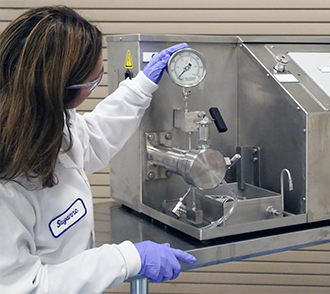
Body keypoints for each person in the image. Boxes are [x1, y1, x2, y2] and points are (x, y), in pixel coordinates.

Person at [0, 5, 196, 293]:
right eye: (95, 80)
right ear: (62, 86)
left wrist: (140, 87)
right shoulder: (7, 183)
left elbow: (90, 139)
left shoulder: (47, 120)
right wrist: (127, 259)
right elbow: (25, 287)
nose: (98, 81)